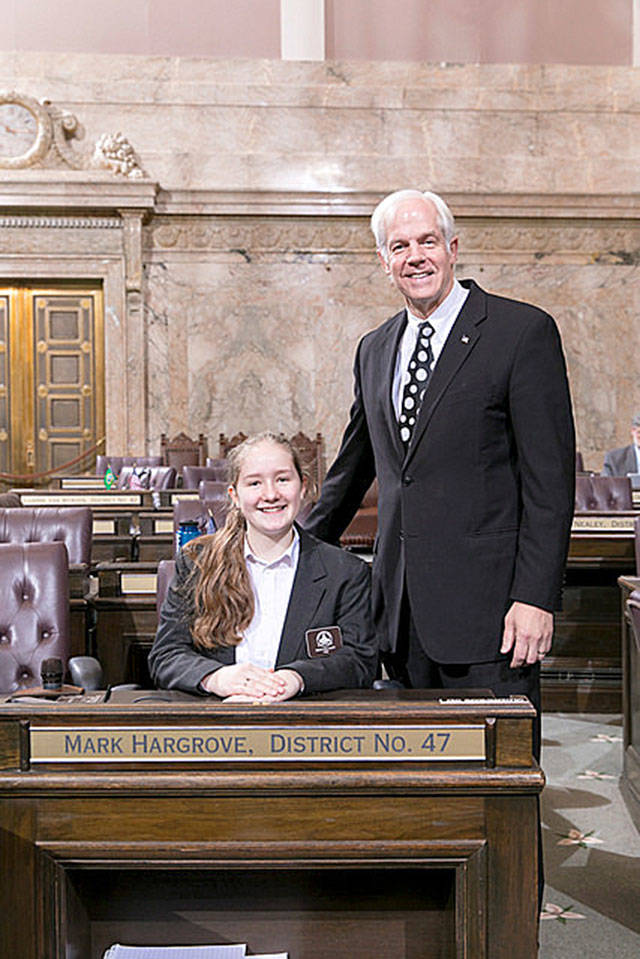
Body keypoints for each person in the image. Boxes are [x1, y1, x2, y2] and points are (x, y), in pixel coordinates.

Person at [304, 188, 575, 754]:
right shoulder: (374, 348)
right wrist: (286, 550)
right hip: (398, 615)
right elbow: (352, 471)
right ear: (384, 261)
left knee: (497, 778)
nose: (415, 256)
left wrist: (536, 596)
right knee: (417, 785)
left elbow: (549, 486)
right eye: (399, 246)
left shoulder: (520, 332)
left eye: (427, 241)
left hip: (492, 615)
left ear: (452, 247)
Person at [149, 432, 376, 701]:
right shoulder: (197, 562)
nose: (270, 494)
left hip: (306, 726)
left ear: (302, 486)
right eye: (254, 483)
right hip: (216, 725)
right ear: (234, 494)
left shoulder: (346, 571)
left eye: (282, 479)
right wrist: (217, 677)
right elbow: (166, 655)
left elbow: (359, 661)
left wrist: (296, 677)